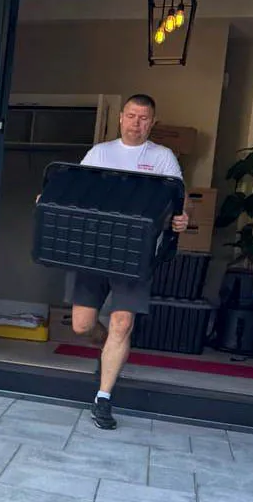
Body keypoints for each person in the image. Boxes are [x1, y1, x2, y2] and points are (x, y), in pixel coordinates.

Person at [70, 94, 189, 430]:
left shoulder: (163, 158)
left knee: (123, 323)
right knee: (81, 325)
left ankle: (103, 399)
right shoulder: (100, 153)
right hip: (95, 249)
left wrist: (181, 219)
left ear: (152, 122)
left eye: (144, 118)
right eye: (132, 116)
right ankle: (107, 349)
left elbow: (179, 203)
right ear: (121, 118)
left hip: (137, 253)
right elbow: (77, 193)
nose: (137, 123)